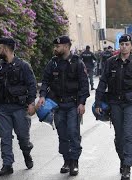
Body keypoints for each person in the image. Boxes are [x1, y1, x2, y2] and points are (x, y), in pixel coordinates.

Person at [95, 34, 132, 180]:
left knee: (128, 135)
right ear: (119, 46)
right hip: (115, 103)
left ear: (131, 46)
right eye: (122, 44)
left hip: (130, 104)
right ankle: (123, 159)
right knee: (119, 137)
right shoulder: (111, 62)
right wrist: (98, 102)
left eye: (127, 44)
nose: (124, 46)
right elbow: (102, 83)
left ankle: (127, 166)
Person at [37, 35, 90, 176]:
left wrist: (82, 103)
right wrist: (42, 96)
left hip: (73, 104)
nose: (55, 49)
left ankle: (74, 162)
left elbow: (84, 85)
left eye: (58, 46)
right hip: (57, 104)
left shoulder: (78, 63)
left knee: (73, 133)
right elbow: (46, 80)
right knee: (62, 134)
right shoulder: (53, 63)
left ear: (66, 46)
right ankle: (67, 160)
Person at [0, 37, 37, 176]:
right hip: (3, 108)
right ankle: (7, 165)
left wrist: (31, 103)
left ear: (6, 48)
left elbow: (32, 85)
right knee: (5, 137)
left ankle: (27, 153)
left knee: (23, 138)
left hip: (20, 108)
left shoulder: (23, 66)